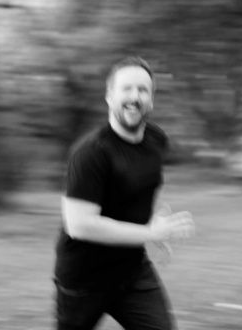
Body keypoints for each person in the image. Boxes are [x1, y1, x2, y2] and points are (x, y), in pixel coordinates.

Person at [54, 56, 196, 330]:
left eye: (143, 90)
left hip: (132, 273)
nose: (135, 97)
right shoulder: (90, 153)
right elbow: (80, 225)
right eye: (126, 89)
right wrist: (150, 233)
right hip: (82, 282)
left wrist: (153, 226)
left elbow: (133, 190)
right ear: (109, 96)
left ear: (152, 100)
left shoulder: (156, 140)